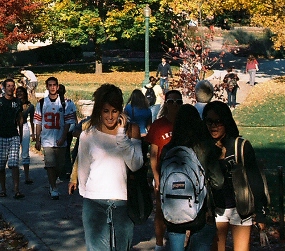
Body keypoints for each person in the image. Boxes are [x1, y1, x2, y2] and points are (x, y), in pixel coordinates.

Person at [68, 84, 145, 251]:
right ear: (99, 111)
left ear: (121, 111)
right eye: (105, 111)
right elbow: (83, 169)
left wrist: (121, 136)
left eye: (114, 111)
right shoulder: (88, 135)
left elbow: (136, 164)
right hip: (94, 201)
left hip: (122, 202)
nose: (110, 116)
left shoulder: (131, 130)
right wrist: (87, 192)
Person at [204, 102, 267, 251]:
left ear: (226, 121)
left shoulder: (241, 146)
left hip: (241, 209)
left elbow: (255, 180)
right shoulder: (205, 147)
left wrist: (261, 212)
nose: (213, 126)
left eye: (218, 121)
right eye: (209, 121)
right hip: (217, 209)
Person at [161, 105, 224, 251]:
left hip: (173, 208)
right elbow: (218, 182)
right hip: (202, 210)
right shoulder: (205, 148)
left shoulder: (168, 150)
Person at [146, 89, 183, 251]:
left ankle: (179, 244)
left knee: (182, 211)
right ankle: (159, 243)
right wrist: (156, 177)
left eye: (178, 102)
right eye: (171, 101)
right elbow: (153, 154)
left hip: (182, 175)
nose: (175, 105)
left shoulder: (186, 124)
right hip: (163, 174)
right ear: (165, 104)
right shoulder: (158, 125)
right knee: (161, 211)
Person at [34, 76, 75, 199]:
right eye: (50, 85)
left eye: (54, 85)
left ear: (57, 87)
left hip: (60, 138)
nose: (52, 87)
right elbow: (38, 122)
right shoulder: (42, 103)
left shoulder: (65, 103)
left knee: (60, 165)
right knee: (50, 164)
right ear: (47, 87)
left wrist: (63, 137)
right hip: (47, 139)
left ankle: (53, 180)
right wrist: (37, 139)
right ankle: (53, 187)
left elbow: (68, 122)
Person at [0, 78, 24, 199]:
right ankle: (3, 189)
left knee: (14, 163)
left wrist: (21, 134)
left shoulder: (17, 102)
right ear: (4, 88)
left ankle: (16, 190)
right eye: (8, 86)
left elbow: (20, 118)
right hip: (0, 135)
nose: (10, 88)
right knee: (0, 166)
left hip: (13, 135)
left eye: (12, 86)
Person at [15, 86, 35, 185]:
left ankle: (27, 176)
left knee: (25, 152)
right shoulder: (13, 103)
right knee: (14, 152)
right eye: (17, 92)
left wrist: (33, 133)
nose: (19, 93)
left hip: (24, 127)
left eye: (21, 92)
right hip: (14, 127)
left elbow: (32, 120)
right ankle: (15, 175)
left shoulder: (29, 106)